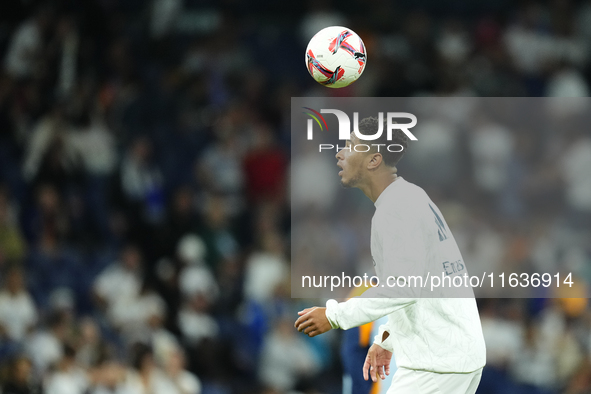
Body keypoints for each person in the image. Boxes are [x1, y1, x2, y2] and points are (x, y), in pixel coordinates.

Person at [294, 117, 486, 394]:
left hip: (435, 365)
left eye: (350, 146)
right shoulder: (410, 197)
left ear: (374, 160)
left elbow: (403, 287)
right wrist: (387, 340)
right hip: (452, 356)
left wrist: (334, 315)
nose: (339, 153)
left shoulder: (396, 210)